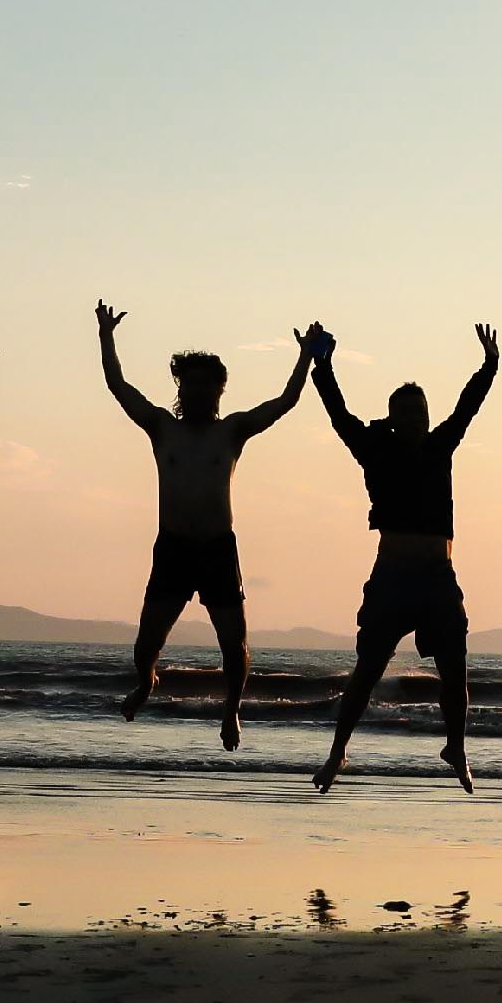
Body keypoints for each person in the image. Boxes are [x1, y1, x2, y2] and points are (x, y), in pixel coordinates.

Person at [95, 300, 315, 747]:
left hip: (217, 549)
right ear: (181, 388)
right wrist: (106, 335)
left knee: (234, 643)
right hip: (173, 548)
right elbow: (118, 386)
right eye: (190, 384)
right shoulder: (161, 426)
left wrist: (305, 356)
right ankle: (147, 681)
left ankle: (231, 710)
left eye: (206, 386)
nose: (197, 393)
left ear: (219, 391)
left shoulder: (231, 430)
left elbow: (286, 402)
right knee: (145, 645)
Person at [311, 322, 499, 792]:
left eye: (422, 412)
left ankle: (456, 747)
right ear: (393, 419)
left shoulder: (440, 446)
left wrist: (489, 366)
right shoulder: (374, 451)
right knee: (367, 670)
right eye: (408, 413)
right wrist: (323, 367)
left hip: (437, 575)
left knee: (454, 667)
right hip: (393, 576)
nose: (418, 420)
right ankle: (337, 753)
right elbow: (339, 416)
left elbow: (466, 408)